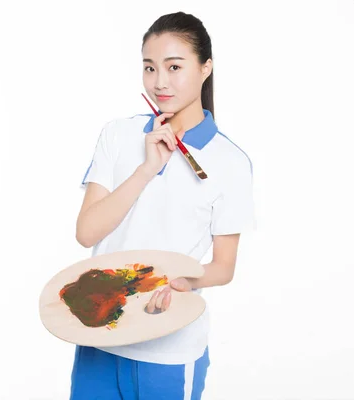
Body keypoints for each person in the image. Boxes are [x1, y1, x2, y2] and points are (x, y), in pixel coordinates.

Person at [71, 11, 255, 400]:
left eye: (174, 66)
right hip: (98, 337)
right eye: (149, 67)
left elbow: (223, 267)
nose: (160, 82)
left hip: (170, 349)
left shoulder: (231, 162)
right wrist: (146, 167)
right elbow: (86, 232)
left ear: (206, 68)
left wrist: (183, 281)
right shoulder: (118, 135)